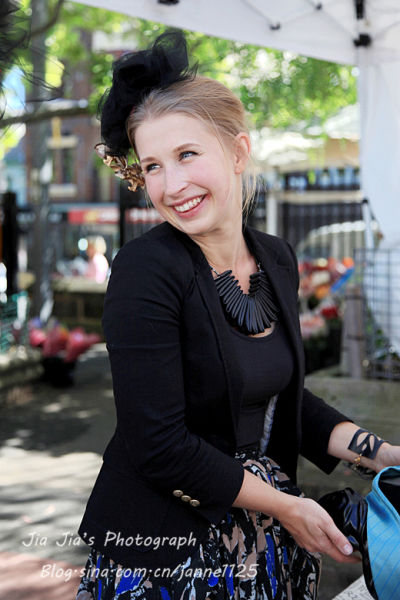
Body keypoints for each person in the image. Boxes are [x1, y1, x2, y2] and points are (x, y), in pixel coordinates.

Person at [75, 32, 400, 600]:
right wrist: (286, 507)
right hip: (169, 556)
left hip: (267, 539)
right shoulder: (144, 270)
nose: (171, 186)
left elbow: (285, 399)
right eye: (151, 166)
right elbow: (159, 445)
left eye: (186, 155)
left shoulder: (276, 257)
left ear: (238, 152)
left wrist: (383, 453)